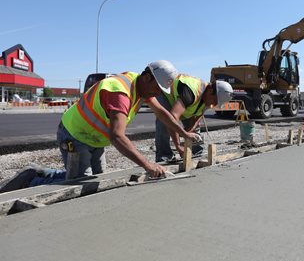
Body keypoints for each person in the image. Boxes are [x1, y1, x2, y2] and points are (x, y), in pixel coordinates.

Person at [58, 60, 201, 179]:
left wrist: (184, 133)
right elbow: (117, 136)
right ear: (147, 78)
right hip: (75, 135)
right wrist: (147, 164)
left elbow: (161, 113)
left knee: (98, 178)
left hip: (95, 139)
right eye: (158, 88)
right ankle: (39, 177)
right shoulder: (120, 93)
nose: (158, 93)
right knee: (81, 182)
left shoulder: (140, 85)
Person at [155, 74, 233, 163]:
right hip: (167, 93)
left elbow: (197, 118)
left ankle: (195, 154)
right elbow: (173, 117)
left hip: (185, 103)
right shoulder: (191, 92)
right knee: (165, 122)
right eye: (214, 101)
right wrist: (178, 146)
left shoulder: (209, 98)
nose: (213, 105)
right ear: (210, 90)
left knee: (194, 129)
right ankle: (164, 157)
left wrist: (187, 133)